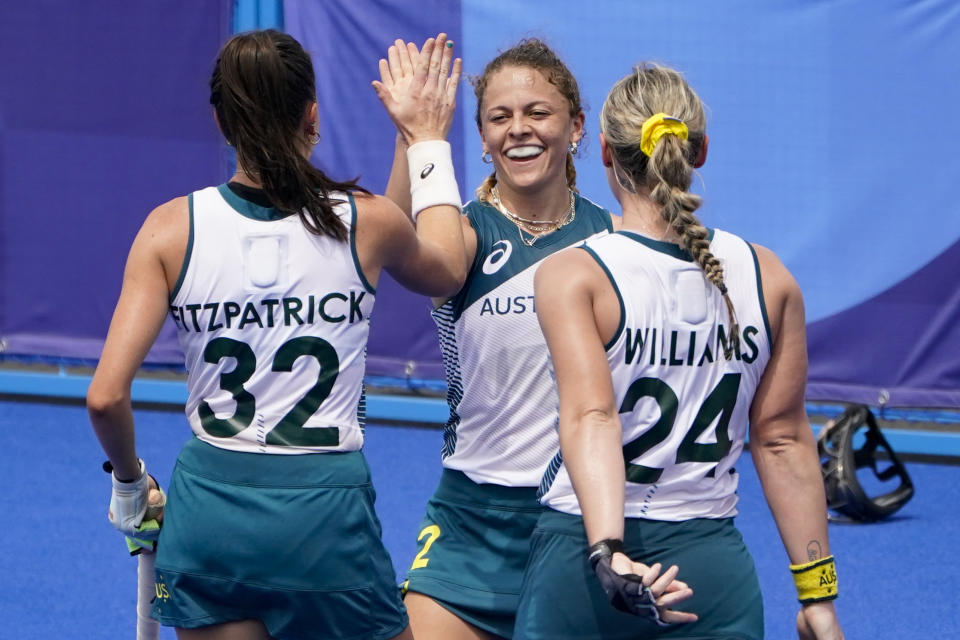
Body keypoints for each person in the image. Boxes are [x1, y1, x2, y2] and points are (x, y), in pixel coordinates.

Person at [88, 30, 466, 640]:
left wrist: (130, 485)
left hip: (208, 512)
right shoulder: (364, 222)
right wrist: (423, 140)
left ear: (220, 120)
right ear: (312, 114)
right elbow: (441, 262)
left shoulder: (167, 230)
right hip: (323, 519)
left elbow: (105, 397)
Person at [515, 63, 845, 639]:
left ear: (605, 154)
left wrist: (607, 551)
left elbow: (592, 417)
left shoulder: (573, 274)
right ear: (701, 151)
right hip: (711, 573)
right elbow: (784, 439)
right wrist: (817, 597)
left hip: (585, 566)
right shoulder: (770, 276)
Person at [374, 39, 616, 639]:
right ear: (480, 139)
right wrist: (417, 133)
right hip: (470, 523)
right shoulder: (460, 233)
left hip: (577, 519)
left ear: (577, 126)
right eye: (499, 118)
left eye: (538, 113)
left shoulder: (612, 241)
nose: (518, 130)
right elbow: (390, 236)